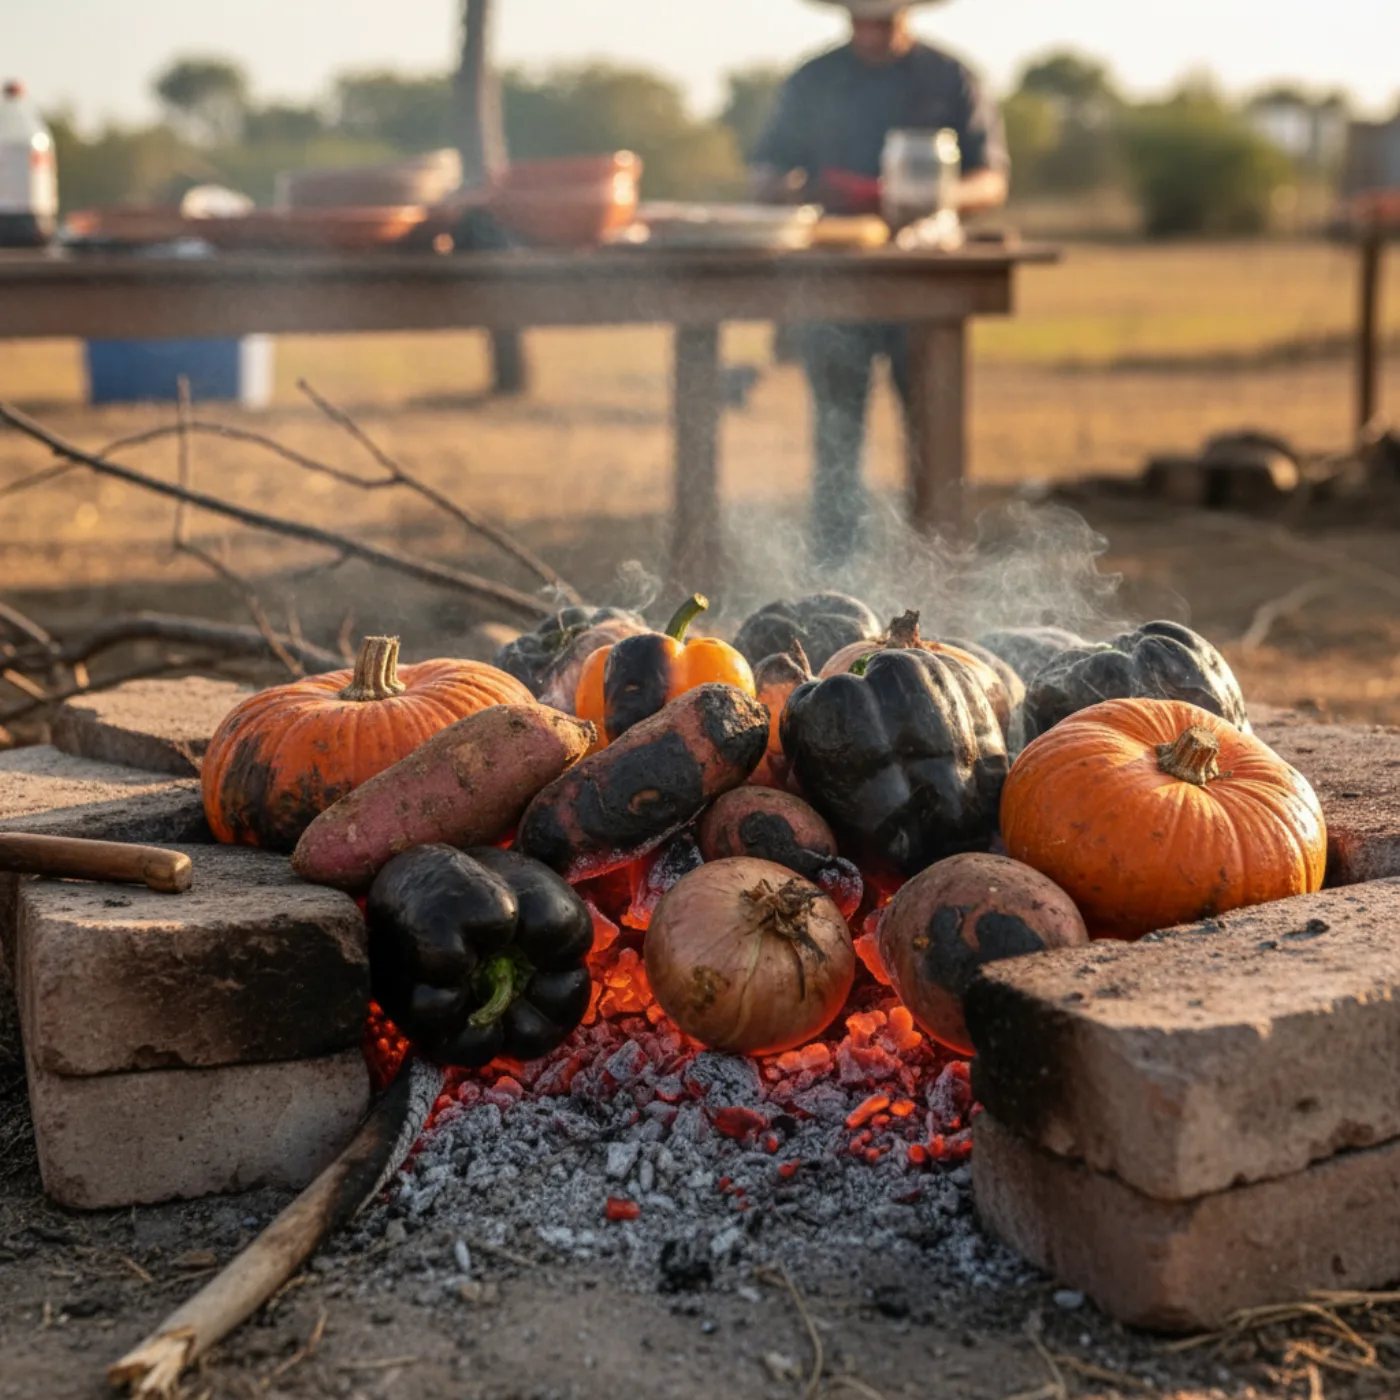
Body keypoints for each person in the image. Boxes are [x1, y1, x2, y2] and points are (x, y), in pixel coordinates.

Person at [750, 0, 1009, 565]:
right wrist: (798, 191)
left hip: (926, 282)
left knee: (932, 436)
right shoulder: (814, 79)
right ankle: (836, 571)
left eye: (884, 17)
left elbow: (991, 178)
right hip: (834, 280)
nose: (872, 29)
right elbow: (766, 171)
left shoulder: (948, 76)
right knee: (837, 435)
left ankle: (936, 568)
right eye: (862, 17)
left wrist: (931, 194)